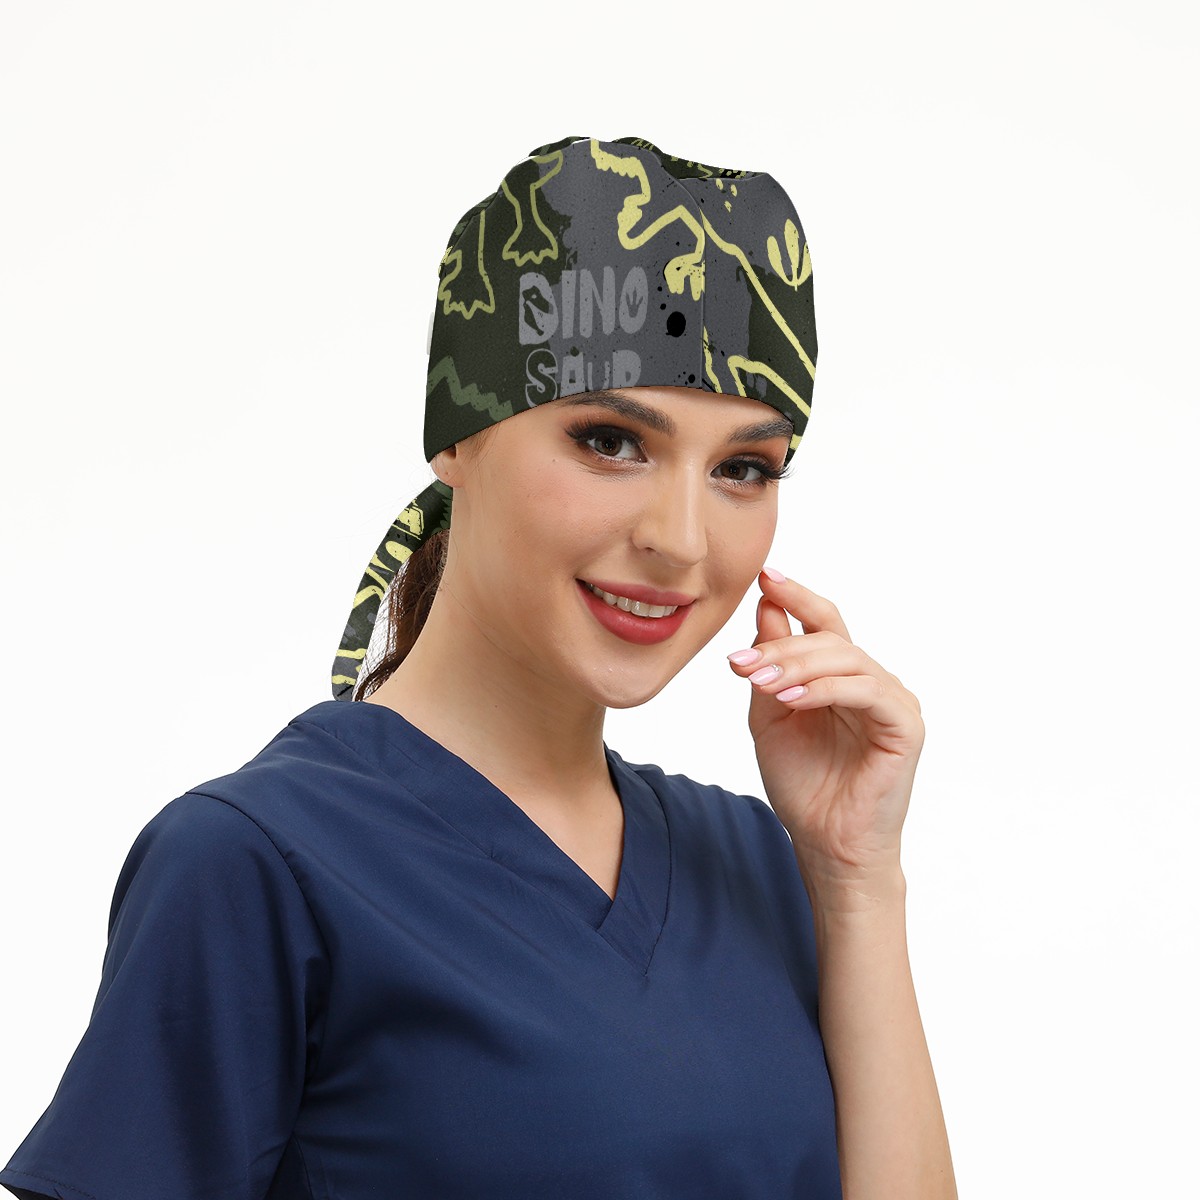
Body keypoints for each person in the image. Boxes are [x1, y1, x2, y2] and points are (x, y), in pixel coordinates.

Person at [1, 135, 957, 1199]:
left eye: (743, 468)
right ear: (458, 434)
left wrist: (856, 878)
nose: (682, 540)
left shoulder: (752, 859)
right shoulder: (254, 865)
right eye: (610, 441)